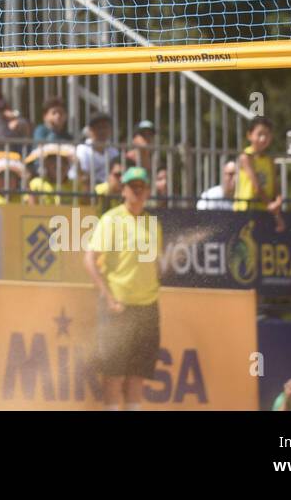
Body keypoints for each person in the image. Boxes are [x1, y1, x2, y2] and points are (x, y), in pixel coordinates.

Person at [84, 165, 162, 410]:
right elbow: (89, 259)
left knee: (138, 373)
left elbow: (154, 263)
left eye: (142, 187)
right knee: (113, 374)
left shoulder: (152, 223)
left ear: (148, 191)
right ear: (124, 191)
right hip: (118, 306)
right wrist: (108, 298)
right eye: (132, 187)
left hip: (147, 306)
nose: (137, 192)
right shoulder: (112, 219)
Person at [234, 115, 285, 232]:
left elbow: (275, 186)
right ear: (249, 135)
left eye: (267, 134)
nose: (263, 138)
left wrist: (278, 200)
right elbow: (257, 187)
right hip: (246, 210)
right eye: (260, 134)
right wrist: (271, 205)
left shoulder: (270, 160)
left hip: (266, 211)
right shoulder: (246, 156)